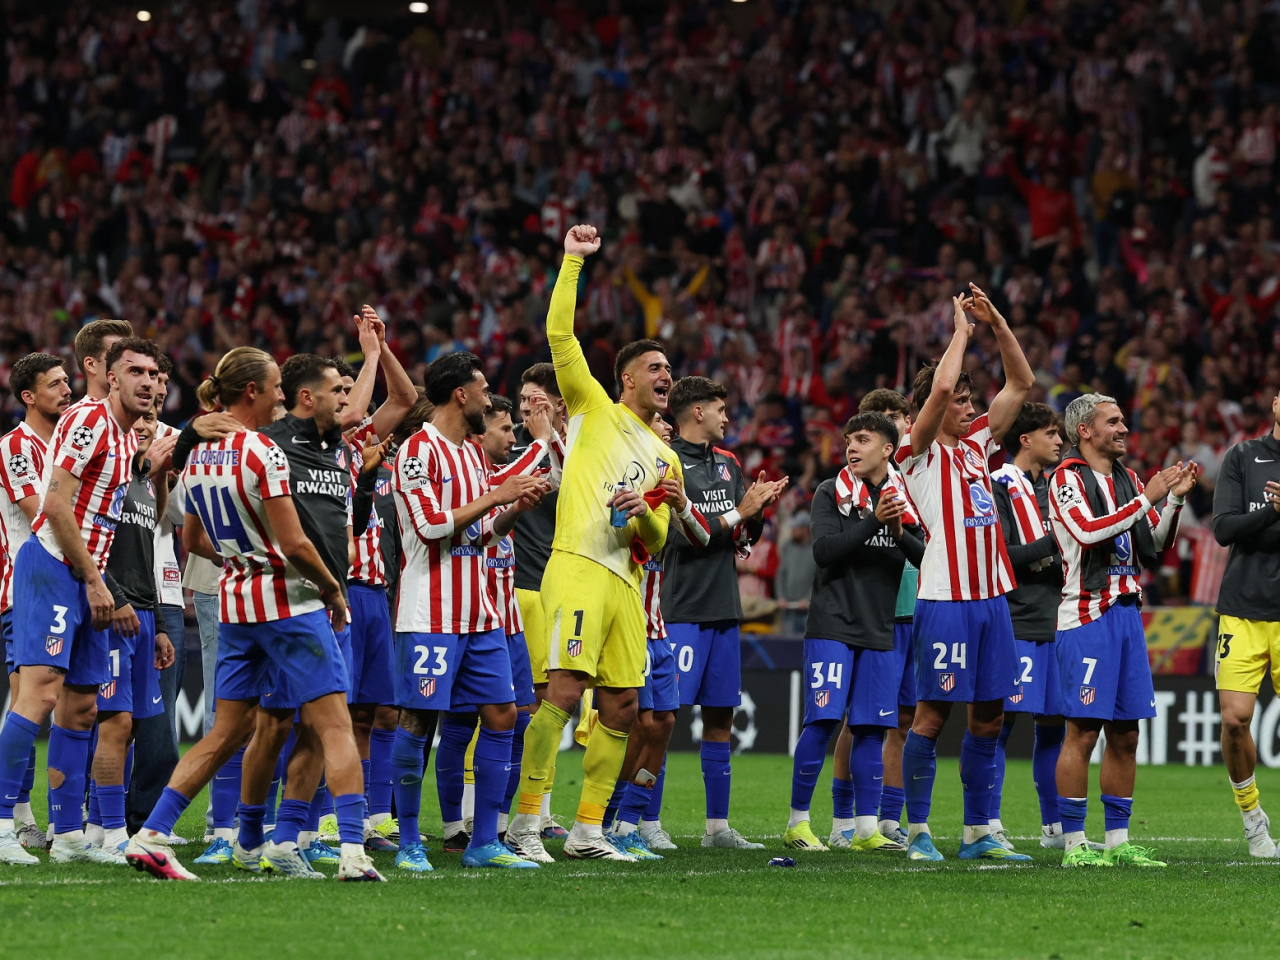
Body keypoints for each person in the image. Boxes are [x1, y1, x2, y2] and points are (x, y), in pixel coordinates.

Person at [124, 346, 382, 882]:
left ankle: (151, 835)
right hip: (290, 602)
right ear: (253, 392)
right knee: (335, 726)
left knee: (225, 732)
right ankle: (354, 853)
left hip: (236, 601)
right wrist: (333, 590)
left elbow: (192, 538)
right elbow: (296, 544)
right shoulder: (263, 452)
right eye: (275, 388)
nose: (282, 396)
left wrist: (243, 560)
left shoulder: (196, 456)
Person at [505, 224, 681, 864]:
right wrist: (572, 261)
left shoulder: (667, 457)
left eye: (669, 369)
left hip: (625, 583)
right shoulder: (591, 406)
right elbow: (559, 334)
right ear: (627, 379)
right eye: (655, 368)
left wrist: (644, 515)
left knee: (624, 705)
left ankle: (586, 830)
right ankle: (526, 823)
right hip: (577, 564)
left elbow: (657, 540)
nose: (667, 375)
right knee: (563, 688)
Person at [0, 337, 157, 865]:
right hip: (53, 567)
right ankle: (1, 824)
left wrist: (102, 583)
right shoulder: (88, 421)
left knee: (84, 704)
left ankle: (68, 837)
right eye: (133, 371)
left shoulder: (122, 434)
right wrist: (95, 583)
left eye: (154, 374)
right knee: (40, 694)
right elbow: (55, 506)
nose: (146, 382)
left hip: (88, 575)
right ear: (111, 377)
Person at [389, 351, 547, 871]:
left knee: (502, 716)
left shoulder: (471, 456)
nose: (487, 397)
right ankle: (411, 841)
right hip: (430, 613)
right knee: (419, 722)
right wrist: (499, 494)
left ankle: (483, 843)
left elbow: (476, 534)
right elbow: (431, 527)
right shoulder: (417, 451)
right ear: (461, 394)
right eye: (482, 389)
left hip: (480, 614)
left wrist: (509, 512)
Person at [893, 284, 1036, 863]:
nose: (971, 408)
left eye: (974, 403)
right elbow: (944, 384)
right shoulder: (916, 450)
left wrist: (999, 322)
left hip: (992, 599)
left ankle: (981, 831)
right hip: (946, 598)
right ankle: (919, 831)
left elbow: (1022, 384)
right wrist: (959, 332)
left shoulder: (978, 446)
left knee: (991, 716)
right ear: (932, 409)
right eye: (961, 404)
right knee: (932, 715)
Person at [1049, 393, 1197, 868]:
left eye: (1123, 421)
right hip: (1088, 617)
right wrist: (1148, 497)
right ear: (1084, 430)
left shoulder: (1128, 479)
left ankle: (1118, 842)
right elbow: (1089, 533)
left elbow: (1153, 543)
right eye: (1112, 422)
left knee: (1126, 733)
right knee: (1083, 731)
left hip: (1128, 616)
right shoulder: (1067, 479)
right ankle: (1075, 844)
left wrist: (1172, 500)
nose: (1124, 428)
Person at [783, 412, 924, 853]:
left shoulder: (903, 498)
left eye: (863, 439)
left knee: (870, 728)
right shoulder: (830, 492)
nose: (851, 447)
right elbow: (824, 552)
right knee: (824, 720)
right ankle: (798, 823)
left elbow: (925, 557)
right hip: (833, 625)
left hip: (879, 628)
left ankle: (865, 830)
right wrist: (873, 522)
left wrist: (897, 530)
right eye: (849, 440)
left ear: (888, 449)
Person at [662, 375, 786, 850]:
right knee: (663, 717)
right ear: (697, 412)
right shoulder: (666, 461)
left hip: (723, 607)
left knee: (720, 716)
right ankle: (644, 822)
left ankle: (717, 828)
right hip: (680, 607)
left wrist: (755, 513)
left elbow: (740, 543)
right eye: (720, 408)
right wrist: (741, 510)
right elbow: (681, 536)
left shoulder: (730, 464)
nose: (727, 417)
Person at [604, 411, 712, 858]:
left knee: (664, 723)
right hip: (626, 624)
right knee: (638, 724)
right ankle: (605, 819)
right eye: (659, 429)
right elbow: (615, 536)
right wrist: (640, 507)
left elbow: (703, 537)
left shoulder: (670, 496)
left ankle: (629, 821)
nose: (668, 432)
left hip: (658, 628)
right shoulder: (620, 481)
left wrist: (682, 502)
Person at [85, 404, 175, 860]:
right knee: (113, 724)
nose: (144, 428)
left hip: (142, 614)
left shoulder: (141, 482)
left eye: (151, 424)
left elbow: (146, 559)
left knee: (134, 726)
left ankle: (100, 826)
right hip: (114, 613)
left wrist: (158, 625)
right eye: (138, 423)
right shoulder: (113, 474)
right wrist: (117, 598)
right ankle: (111, 830)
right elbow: (93, 546)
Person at [989, 402, 1076, 852]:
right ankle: (988, 823)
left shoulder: (1059, 487)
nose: (1060, 441)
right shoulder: (999, 486)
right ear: (1025, 440)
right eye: (1051, 433)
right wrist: (1053, 543)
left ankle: (1054, 828)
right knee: (1000, 725)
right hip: (1017, 619)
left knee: (1054, 727)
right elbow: (1001, 553)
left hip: (1059, 618)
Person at [0, 352, 71, 861]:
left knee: (55, 702)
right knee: (29, 699)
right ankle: (13, 817)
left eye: (68, 381)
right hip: (24, 588)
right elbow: (43, 513)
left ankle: (44, 820)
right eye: (55, 384)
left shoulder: (69, 441)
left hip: (67, 585)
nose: (66, 390)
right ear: (29, 396)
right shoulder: (14, 447)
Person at [1211, 387, 1280, 857]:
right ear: (1276, 404)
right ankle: (1254, 820)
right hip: (1244, 608)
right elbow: (1223, 528)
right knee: (1235, 720)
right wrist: (1274, 511)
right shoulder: (1244, 456)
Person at [849, 388, 918, 848]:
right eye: (886, 419)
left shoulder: (914, 476)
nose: (897, 424)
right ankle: (846, 819)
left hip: (918, 606)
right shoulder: (856, 485)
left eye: (900, 417)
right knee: (863, 721)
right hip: (879, 611)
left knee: (906, 717)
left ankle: (890, 817)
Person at [511, 363, 571, 838]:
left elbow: (582, 492)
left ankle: (541, 810)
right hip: (515, 589)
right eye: (524, 400)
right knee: (505, 707)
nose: (527, 410)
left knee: (552, 705)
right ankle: (474, 815)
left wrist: (552, 437)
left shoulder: (575, 451)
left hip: (559, 590)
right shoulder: (510, 450)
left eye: (538, 401)